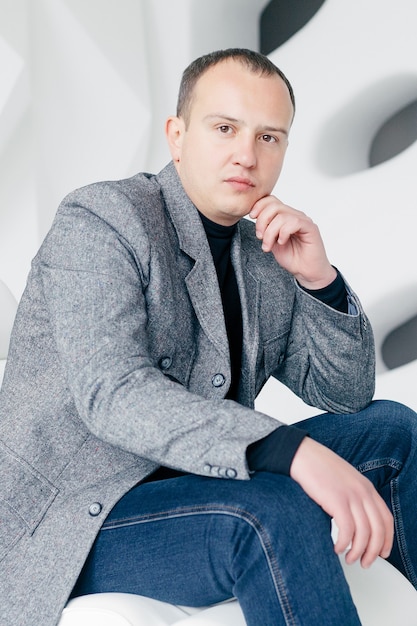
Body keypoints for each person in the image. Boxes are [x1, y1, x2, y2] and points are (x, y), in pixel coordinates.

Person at [0, 48, 416, 626]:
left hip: (198, 486)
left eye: (269, 138)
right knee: (273, 509)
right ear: (177, 135)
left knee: (395, 433)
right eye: (225, 128)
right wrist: (290, 451)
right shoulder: (102, 219)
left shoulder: (264, 255)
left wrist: (319, 281)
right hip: (81, 516)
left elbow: (344, 395)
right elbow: (113, 392)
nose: (246, 155)